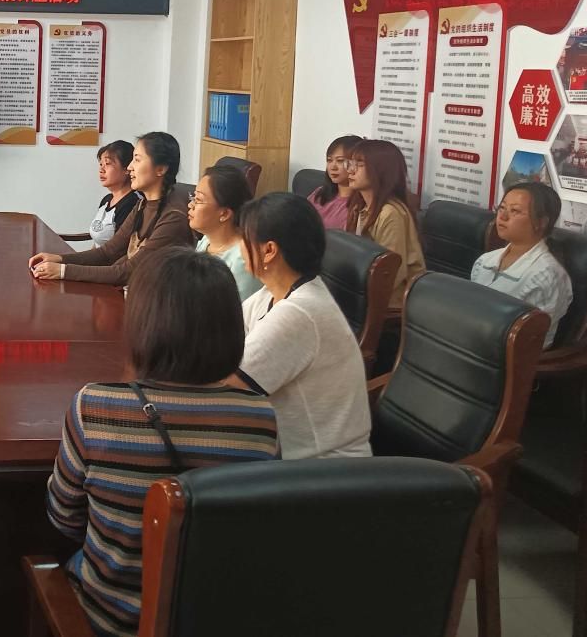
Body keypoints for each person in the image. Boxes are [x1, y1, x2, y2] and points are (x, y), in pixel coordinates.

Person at [47, 248, 278, 637]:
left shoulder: (95, 407)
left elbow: (63, 517)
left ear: (142, 324)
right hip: (212, 621)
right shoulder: (260, 417)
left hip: (108, 620)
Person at [231, 193, 371, 459]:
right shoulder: (273, 293)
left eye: (243, 239)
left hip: (322, 470)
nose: (239, 247)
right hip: (284, 452)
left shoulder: (298, 313)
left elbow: (228, 386)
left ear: (269, 251)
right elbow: (222, 333)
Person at [30, 132, 194, 285]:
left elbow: (129, 271)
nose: (130, 167)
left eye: (137, 160)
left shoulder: (173, 217)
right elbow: (108, 252)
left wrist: (63, 271)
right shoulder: (142, 205)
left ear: (161, 169)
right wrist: (59, 259)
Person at [472, 181, 572, 347]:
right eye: (502, 208)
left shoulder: (547, 275)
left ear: (541, 222)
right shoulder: (485, 261)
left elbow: (534, 341)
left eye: (515, 211)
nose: (503, 217)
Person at [345, 139, 425, 311]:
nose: (350, 170)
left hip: (389, 303)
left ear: (380, 170)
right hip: (363, 291)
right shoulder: (359, 206)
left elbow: (390, 274)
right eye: (350, 163)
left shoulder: (390, 213)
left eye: (359, 164)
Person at [188, 164, 261, 300]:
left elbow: (238, 309)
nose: (190, 205)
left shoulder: (243, 259)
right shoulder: (207, 240)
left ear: (225, 213)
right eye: (193, 197)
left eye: (198, 200)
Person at [88, 140, 140, 246]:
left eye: (107, 164)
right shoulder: (107, 199)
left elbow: (119, 250)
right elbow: (97, 243)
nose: (101, 170)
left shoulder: (132, 203)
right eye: (101, 164)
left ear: (127, 168)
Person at [307, 134, 363, 230]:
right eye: (329, 160)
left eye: (340, 161)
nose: (333, 167)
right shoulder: (320, 192)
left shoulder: (361, 205)